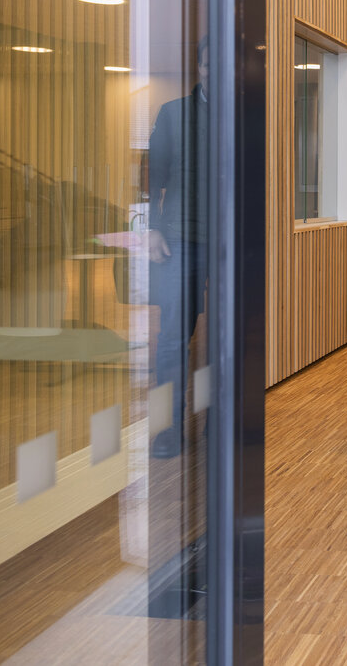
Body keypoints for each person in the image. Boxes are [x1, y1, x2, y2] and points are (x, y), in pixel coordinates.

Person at [147, 36, 210, 459]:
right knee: (172, 337)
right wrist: (151, 228)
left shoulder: (244, 116)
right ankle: (168, 428)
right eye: (207, 64)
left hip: (228, 244)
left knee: (227, 339)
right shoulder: (173, 114)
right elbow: (152, 176)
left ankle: (218, 420)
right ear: (199, 67)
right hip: (179, 240)